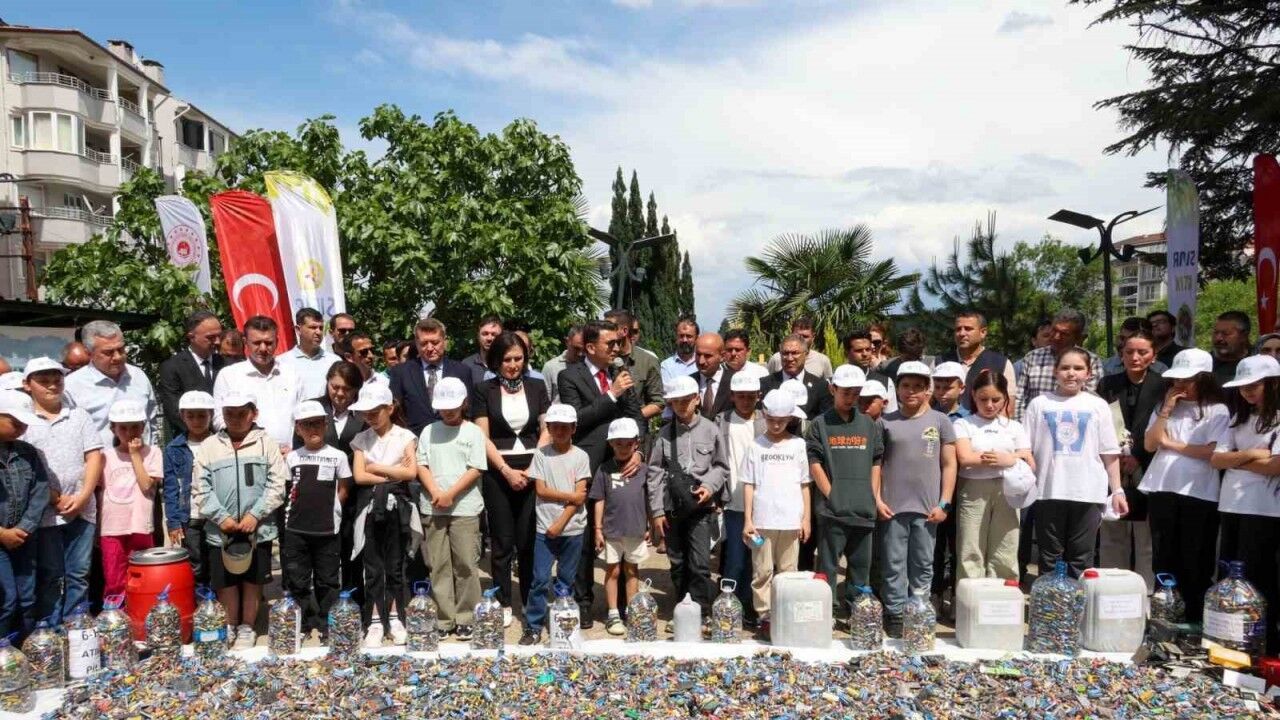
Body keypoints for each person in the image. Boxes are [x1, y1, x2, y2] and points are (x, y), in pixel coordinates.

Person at [557, 319, 644, 625]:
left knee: (621, 535)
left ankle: (620, 605)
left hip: (622, 466)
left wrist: (639, 451)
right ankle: (582, 601)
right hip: (588, 464)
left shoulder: (620, 374)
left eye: (618, 343)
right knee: (583, 537)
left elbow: (637, 417)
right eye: (611, 343)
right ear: (591, 347)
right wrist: (611, 396)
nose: (617, 348)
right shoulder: (570, 376)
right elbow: (575, 420)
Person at [192, 390, 287, 649]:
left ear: (254, 414)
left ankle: (247, 627)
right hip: (220, 530)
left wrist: (255, 514)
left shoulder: (267, 443)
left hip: (258, 529)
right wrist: (221, 517)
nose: (234, 418)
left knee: (253, 580)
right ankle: (230, 625)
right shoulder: (209, 447)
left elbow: (277, 485)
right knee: (226, 582)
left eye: (241, 413)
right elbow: (200, 488)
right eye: (229, 413)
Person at [1139, 348, 1229, 621]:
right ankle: (1165, 613)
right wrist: (1166, 410)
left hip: (1199, 491)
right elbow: (1150, 443)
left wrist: (1171, 444)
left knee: (1195, 556)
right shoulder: (1164, 406)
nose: (1181, 385)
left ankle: (1193, 616)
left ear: (1204, 378)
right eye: (1177, 379)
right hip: (1163, 487)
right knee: (1163, 554)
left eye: (1188, 380)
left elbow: (1212, 452)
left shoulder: (1217, 410)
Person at [1024, 348, 1127, 578]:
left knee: (1081, 556)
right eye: (1065, 368)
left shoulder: (1097, 405)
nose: (1071, 373)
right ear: (1055, 371)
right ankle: (1050, 599)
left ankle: (1079, 598)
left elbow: (1109, 452)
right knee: (1049, 556)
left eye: (1078, 368)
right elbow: (1025, 449)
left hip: (1088, 492)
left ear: (1088, 374)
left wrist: (1117, 490)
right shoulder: (1039, 404)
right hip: (1048, 491)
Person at [874, 361, 956, 636]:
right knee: (893, 563)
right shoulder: (885, 422)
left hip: (928, 509)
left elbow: (949, 464)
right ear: (897, 389)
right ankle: (896, 612)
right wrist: (877, 499)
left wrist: (944, 503)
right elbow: (876, 465)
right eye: (906, 386)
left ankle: (918, 608)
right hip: (893, 507)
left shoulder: (940, 421)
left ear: (927, 390)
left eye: (918, 386)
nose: (911, 391)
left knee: (923, 563)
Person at [474, 332, 551, 627]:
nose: (513, 364)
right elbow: (482, 436)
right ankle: (503, 600)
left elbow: (546, 429)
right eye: (507, 359)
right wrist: (506, 470)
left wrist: (532, 469)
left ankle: (531, 599)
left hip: (532, 468)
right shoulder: (484, 390)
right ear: (497, 361)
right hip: (498, 471)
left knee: (528, 540)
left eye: (518, 358)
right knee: (502, 542)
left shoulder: (537, 386)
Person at [23, 357, 102, 624]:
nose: (52, 386)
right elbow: (27, 469)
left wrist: (83, 496)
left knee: (79, 573)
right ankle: (51, 629)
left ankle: (76, 625)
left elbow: (94, 456)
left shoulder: (79, 416)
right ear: (27, 385)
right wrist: (54, 498)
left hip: (82, 510)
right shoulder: (25, 421)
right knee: (51, 575)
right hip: (45, 513)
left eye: (56, 380)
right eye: (43, 381)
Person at [1211, 354, 1280, 653]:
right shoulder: (1237, 418)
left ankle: (1262, 641)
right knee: (1229, 572)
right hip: (1232, 504)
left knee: (1259, 576)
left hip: (1265, 508)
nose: (1247, 391)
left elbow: (1275, 465)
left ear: (1272, 384)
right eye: (1243, 386)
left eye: (1255, 385)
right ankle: (1228, 639)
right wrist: (1253, 454)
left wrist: (1236, 460)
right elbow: (1217, 459)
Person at [650, 376, 729, 623]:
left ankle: (701, 611)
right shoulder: (664, 434)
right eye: (676, 401)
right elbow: (655, 474)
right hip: (672, 508)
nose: (681, 406)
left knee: (700, 563)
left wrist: (708, 486)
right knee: (677, 562)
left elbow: (721, 466)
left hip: (701, 507)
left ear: (697, 399)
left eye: (686, 400)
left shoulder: (711, 429)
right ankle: (683, 608)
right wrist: (657, 512)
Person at [415, 377, 487, 639]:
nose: (447, 412)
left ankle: (467, 616)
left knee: (466, 563)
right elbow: (421, 464)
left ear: (464, 404)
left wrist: (451, 494)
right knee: (438, 564)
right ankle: (444, 618)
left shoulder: (473, 432)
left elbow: (476, 468)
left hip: (465, 507)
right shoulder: (428, 431)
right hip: (433, 506)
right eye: (443, 407)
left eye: (453, 407)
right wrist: (436, 492)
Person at [808, 364, 881, 613]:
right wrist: (832, 496)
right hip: (833, 511)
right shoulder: (820, 424)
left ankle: (856, 613)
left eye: (856, 393)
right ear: (832, 389)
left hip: (863, 509)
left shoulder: (869, 425)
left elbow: (876, 462)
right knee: (827, 567)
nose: (850, 398)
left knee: (861, 568)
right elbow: (815, 463)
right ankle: (826, 612)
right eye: (845, 392)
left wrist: (872, 496)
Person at [349, 384, 418, 646]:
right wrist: (392, 472)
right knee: (373, 565)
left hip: (397, 505)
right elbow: (359, 476)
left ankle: (396, 616)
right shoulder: (361, 439)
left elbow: (410, 473)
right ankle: (375, 619)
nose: (370, 417)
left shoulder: (405, 436)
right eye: (366, 412)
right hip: (370, 506)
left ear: (389, 408)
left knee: (395, 564)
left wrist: (376, 467)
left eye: (375, 411)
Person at [1097, 328, 1164, 591]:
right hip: (1114, 462)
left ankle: (1145, 591)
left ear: (1153, 355)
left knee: (1146, 536)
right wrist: (1119, 455)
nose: (1135, 357)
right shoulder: (1108, 384)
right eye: (1129, 352)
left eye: (1142, 352)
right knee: (1113, 527)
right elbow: (1104, 423)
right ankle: (1112, 589)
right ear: (1121, 354)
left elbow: (1163, 425)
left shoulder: (1163, 385)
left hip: (1150, 463)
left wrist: (1138, 456)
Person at [521, 403, 592, 645]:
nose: (560, 431)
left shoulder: (581, 457)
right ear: (548, 428)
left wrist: (560, 523)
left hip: (572, 528)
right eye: (555, 427)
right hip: (545, 528)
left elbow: (580, 497)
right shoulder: (541, 455)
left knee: (566, 580)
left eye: (565, 427)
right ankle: (533, 626)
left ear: (573, 428)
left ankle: (563, 624)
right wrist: (570, 496)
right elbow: (542, 490)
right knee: (540, 579)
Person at [741, 389, 811, 631]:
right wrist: (748, 519)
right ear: (764, 416)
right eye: (771, 420)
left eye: (781, 420)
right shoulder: (755, 446)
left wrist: (806, 519)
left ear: (790, 418)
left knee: (788, 572)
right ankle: (764, 615)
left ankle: (786, 613)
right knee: (762, 571)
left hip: (791, 520)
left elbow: (804, 484)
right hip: (762, 520)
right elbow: (749, 484)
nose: (776, 425)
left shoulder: (798, 445)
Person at [952, 370, 1032, 581]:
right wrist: (1008, 458)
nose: (989, 405)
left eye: (995, 400)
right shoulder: (964, 424)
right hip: (973, 489)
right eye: (983, 399)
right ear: (973, 395)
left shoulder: (1014, 426)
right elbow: (965, 458)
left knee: (1006, 543)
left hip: (1008, 489)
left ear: (1005, 397)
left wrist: (1007, 459)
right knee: (971, 544)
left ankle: (1003, 589)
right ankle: (970, 590)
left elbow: (1029, 459)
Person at [283, 400, 352, 640]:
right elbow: (287, 489)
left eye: (317, 423)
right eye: (306, 424)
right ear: (297, 429)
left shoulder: (338, 456)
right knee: (297, 580)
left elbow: (344, 489)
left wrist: (332, 510)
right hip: (296, 529)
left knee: (328, 581)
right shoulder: (292, 457)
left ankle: (326, 625)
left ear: (325, 425)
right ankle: (302, 624)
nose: (313, 429)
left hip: (327, 529)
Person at [590, 418, 662, 636]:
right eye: (618, 443)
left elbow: (648, 499)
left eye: (628, 443)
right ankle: (613, 613)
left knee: (632, 570)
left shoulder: (643, 469)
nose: (623, 448)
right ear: (611, 443)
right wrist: (597, 529)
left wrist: (649, 526)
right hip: (611, 531)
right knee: (612, 570)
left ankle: (632, 610)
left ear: (636, 443)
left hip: (635, 530)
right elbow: (599, 499)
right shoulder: (604, 469)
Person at [213, 316, 308, 453]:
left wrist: (295, 449)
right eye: (257, 343)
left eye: (268, 343)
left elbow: (303, 415)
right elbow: (219, 419)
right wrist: (249, 447)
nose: (263, 348)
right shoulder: (228, 375)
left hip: (289, 455)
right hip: (247, 455)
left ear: (277, 342)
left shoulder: (292, 374)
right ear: (245, 342)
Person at [313, 362, 366, 605]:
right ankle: (326, 606)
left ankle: (353, 605)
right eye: (335, 387)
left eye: (347, 389)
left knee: (352, 550)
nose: (340, 393)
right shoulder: (314, 409)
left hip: (355, 493)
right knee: (324, 554)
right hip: (320, 493)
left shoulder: (364, 414)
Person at [715, 372, 765, 625]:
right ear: (732, 396)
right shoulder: (721, 422)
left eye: (751, 396)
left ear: (759, 396)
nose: (746, 401)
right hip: (733, 503)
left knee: (758, 560)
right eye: (741, 396)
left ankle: (750, 607)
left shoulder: (767, 421)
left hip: (763, 504)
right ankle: (729, 607)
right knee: (734, 559)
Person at [98, 400, 161, 597]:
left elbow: (146, 485)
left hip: (140, 525)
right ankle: (116, 613)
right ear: (113, 429)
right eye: (123, 428)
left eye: (134, 427)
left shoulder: (153, 453)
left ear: (143, 427)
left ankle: (140, 611)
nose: (129, 432)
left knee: (141, 576)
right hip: (111, 528)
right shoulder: (105, 456)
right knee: (114, 579)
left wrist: (135, 455)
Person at [0, 391, 49, 638]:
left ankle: (27, 649)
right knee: (6, 598)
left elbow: (40, 491)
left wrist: (24, 528)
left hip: (23, 537)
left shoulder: (27, 453)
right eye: (15, 422)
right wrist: (2, 533)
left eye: (24, 423)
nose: (21, 428)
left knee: (27, 597)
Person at [65, 320, 158, 447]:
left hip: (142, 458)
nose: (117, 357)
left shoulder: (138, 376)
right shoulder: (72, 386)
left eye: (121, 349)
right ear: (89, 353)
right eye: (108, 352)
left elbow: (151, 422)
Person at [163, 391, 216, 587]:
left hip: (217, 515)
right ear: (182, 416)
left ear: (211, 415)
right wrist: (173, 522)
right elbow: (171, 488)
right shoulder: (173, 449)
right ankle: (200, 596)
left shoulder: (221, 444)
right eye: (190, 416)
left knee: (217, 559)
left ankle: (219, 597)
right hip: (191, 515)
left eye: (202, 415)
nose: (196, 421)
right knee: (196, 561)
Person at [388, 317, 474, 437]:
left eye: (435, 342)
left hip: (453, 438)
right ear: (416, 344)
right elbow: (395, 413)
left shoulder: (462, 371)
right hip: (414, 440)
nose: (429, 348)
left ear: (445, 341)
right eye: (424, 344)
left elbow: (468, 411)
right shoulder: (401, 372)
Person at [1014, 308, 1104, 420]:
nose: (1056, 337)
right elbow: (1019, 398)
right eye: (1054, 330)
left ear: (1077, 338)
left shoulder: (1091, 361)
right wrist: (1022, 427)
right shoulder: (1032, 358)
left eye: (1064, 334)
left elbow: (1092, 402)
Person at [929, 361, 968, 614]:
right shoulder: (927, 415)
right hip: (933, 489)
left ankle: (955, 594)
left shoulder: (968, 418)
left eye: (949, 387)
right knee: (934, 547)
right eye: (939, 386)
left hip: (961, 490)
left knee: (957, 545)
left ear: (961, 388)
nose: (942, 392)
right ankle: (934, 593)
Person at [157, 311, 225, 436]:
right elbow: (175, 411)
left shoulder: (226, 365)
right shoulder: (172, 367)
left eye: (219, 336)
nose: (217, 342)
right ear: (191, 337)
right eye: (210, 337)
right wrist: (204, 435)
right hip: (192, 440)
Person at [937, 312, 1017, 413]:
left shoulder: (1001, 363)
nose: (962, 333)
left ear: (983, 332)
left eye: (968, 329)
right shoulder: (940, 362)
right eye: (958, 329)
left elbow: (1008, 407)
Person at [604, 309, 664, 424]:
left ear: (624, 331)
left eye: (610, 327)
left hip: (635, 429)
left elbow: (658, 403)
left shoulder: (647, 361)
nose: (604, 330)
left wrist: (632, 420)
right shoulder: (602, 357)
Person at [763, 334, 833, 419]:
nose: (790, 358)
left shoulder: (820, 386)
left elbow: (825, 420)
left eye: (795, 353)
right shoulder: (765, 384)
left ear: (805, 354)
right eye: (785, 353)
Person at [281, 308, 342, 401]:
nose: (318, 332)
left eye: (321, 328)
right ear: (298, 330)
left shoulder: (334, 361)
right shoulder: (282, 362)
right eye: (313, 327)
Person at [844, 328, 897, 413]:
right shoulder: (836, 382)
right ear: (846, 353)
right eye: (859, 350)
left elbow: (891, 416)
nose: (865, 354)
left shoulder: (885, 382)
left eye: (868, 349)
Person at [766, 317, 835, 379]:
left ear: (813, 337)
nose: (801, 340)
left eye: (805, 336)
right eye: (798, 336)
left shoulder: (823, 361)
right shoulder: (777, 359)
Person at [1102, 317, 1168, 378]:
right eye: (1122, 338)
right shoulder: (1103, 367)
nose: (1123, 344)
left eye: (1131, 340)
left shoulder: (1160, 370)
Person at [691, 332, 736, 419]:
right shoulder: (689, 382)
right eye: (698, 354)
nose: (701, 361)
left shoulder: (734, 381)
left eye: (707, 356)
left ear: (722, 357)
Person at [541, 325, 583, 403]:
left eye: (584, 349)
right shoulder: (551, 367)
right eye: (576, 348)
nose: (580, 353)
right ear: (567, 342)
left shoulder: (589, 366)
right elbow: (544, 401)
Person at [459, 316, 504, 387]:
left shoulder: (507, 363)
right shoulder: (466, 365)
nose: (489, 338)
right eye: (485, 334)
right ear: (478, 336)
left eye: (494, 334)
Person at [1212, 311, 1253, 386]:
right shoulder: (1205, 364)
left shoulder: (1256, 363)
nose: (1218, 338)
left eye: (1226, 333)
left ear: (1244, 336)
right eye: (1216, 332)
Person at [660, 315, 700, 383]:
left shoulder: (702, 363)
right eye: (681, 336)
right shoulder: (666, 366)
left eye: (689, 336)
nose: (685, 340)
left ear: (697, 338)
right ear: (676, 338)